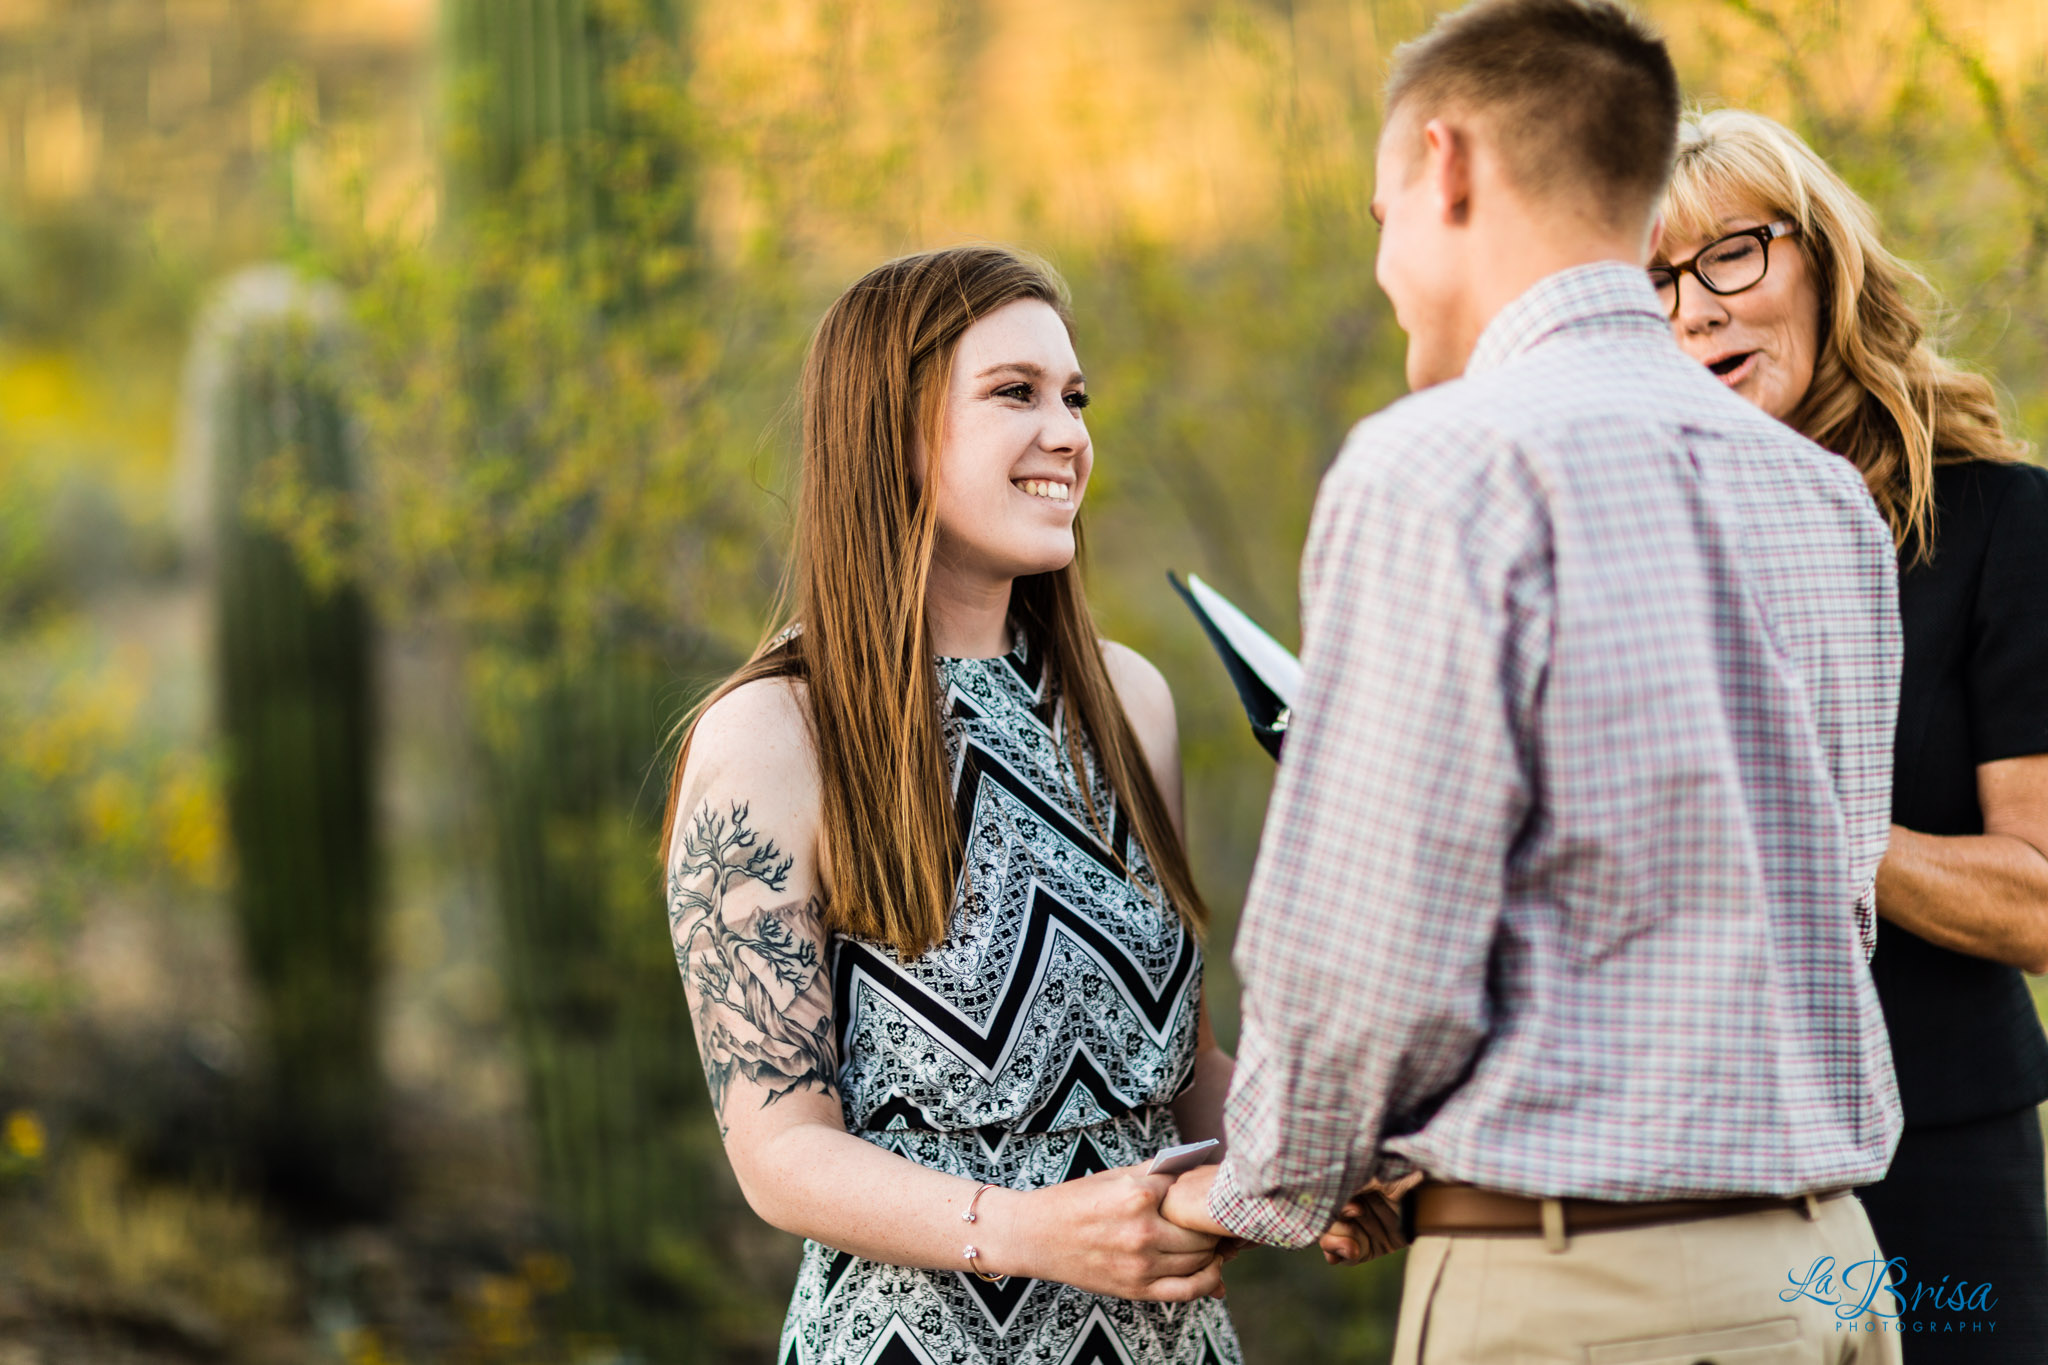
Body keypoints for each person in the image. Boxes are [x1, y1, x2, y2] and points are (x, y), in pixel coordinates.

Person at [1159, 1, 1908, 1359]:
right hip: (1830, 1276)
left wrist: (1259, 1181)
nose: (1384, 264)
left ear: (1445, 169)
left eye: (1380, 213)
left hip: (1587, 1296)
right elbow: (1829, 904)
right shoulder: (1825, 500)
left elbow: (1372, 959)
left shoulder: (1440, 464)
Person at [660, 245, 1246, 1365]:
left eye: (1073, 398)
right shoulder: (773, 735)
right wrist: (1031, 1233)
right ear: (891, 431)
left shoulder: (1129, 704)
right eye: (1014, 394)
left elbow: (1186, 1075)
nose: (1067, 433)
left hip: (1164, 1343)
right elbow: (779, 1152)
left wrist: (1309, 1164)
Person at [1655, 106, 2048, 1354]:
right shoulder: (1612, 547)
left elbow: (2036, 899)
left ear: (1820, 257)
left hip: (1932, 1164)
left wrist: (1799, 818)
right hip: (1674, 1169)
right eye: (1650, 281)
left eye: (1730, 253)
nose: (1694, 309)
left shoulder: (1992, 524)